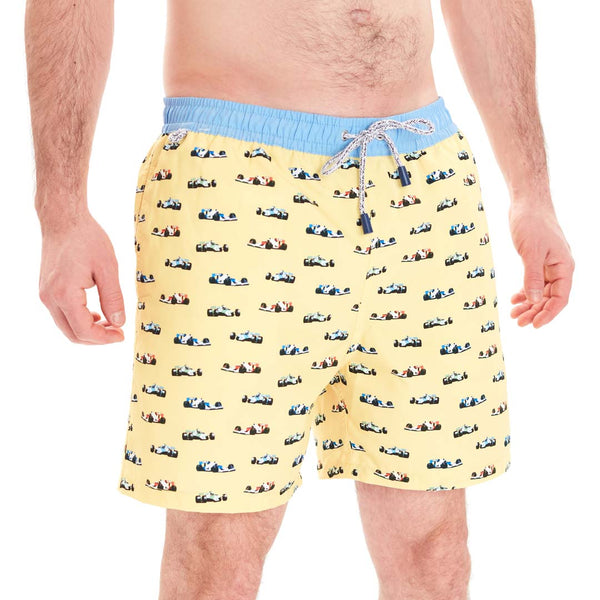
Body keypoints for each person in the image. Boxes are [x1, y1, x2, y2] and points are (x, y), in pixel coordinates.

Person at [24, 1, 574, 599]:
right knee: (219, 552)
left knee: (436, 551)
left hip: (424, 175)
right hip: (236, 180)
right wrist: (61, 210)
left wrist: (531, 191)